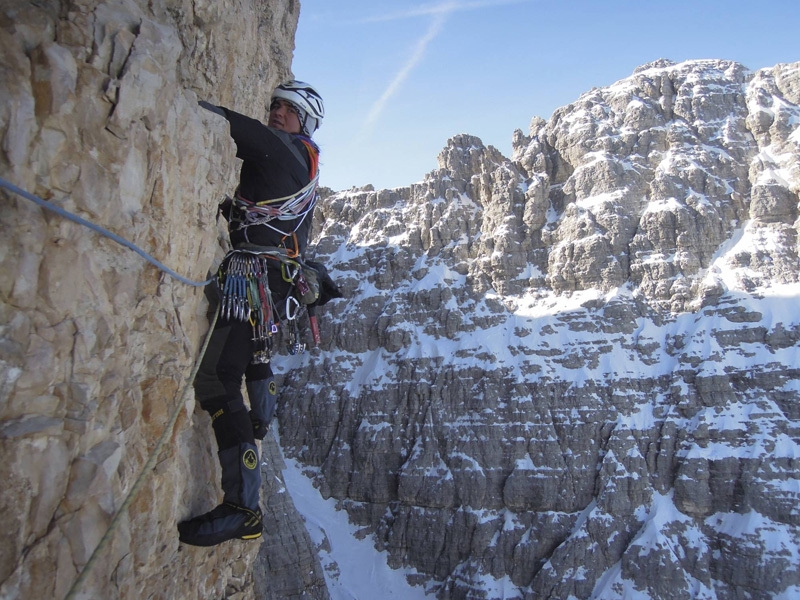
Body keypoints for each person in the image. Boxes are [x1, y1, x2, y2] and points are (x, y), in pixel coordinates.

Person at [178, 80, 326, 547]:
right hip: (269, 277)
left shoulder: (288, 150)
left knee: (219, 379)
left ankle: (245, 507)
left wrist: (178, 98)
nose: (277, 112)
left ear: (305, 120)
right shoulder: (301, 159)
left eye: (288, 108)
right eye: (275, 105)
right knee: (252, 345)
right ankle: (260, 418)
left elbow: (236, 128)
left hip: (255, 272)